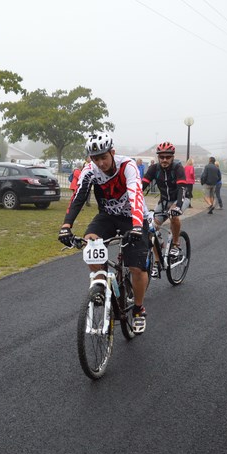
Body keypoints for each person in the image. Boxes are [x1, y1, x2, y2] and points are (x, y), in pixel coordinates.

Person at [58, 132, 150, 334]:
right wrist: (66, 226)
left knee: (136, 268)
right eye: (95, 158)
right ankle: (100, 285)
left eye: (103, 157)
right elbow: (78, 196)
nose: (100, 163)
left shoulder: (127, 166)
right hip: (107, 216)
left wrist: (136, 225)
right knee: (90, 243)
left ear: (112, 152)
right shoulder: (90, 170)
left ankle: (138, 309)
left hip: (133, 217)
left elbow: (135, 195)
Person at [141, 141, 189, 278]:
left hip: (181, 198)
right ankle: (157, 262)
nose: (164, 160)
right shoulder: (154, 169)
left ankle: (176, 244)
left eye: (167, 157)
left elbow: (182, 189)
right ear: (158, 158)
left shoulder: (178, 168)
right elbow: (141, 186)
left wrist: (178, 206)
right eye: (161, 157)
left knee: (174, 215)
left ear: (172, 157)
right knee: (151, 229)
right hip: (163, 201)